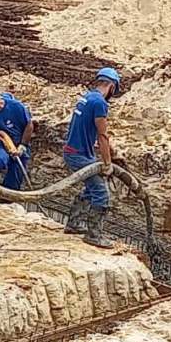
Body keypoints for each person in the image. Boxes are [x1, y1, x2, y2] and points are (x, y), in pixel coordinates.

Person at [62, 67, 121, 248]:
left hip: (73, 151)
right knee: (101, 192)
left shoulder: (87, 97)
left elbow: (95, 132)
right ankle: (94, 235)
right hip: (79, 156)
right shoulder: (100, 103)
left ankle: (73, 223)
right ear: (112, 86)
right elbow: (102, 135)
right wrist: (107, 164)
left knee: (91, 187)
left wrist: (111, 151)